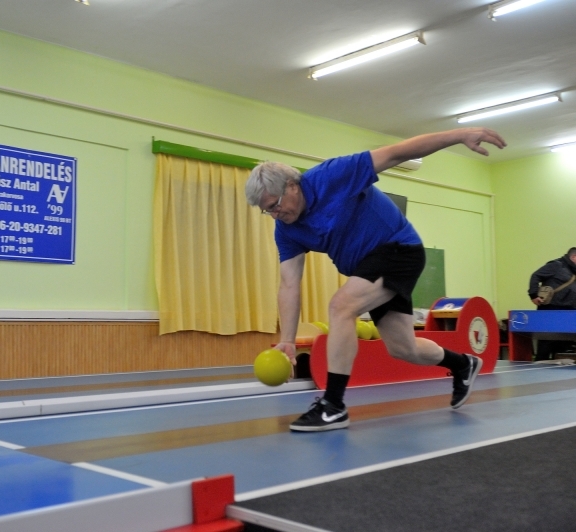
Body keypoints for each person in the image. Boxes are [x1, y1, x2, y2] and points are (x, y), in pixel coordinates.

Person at [245, 127, 506, 432]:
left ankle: (333, 406)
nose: (275, 214)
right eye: (267, 211)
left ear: (292, 186)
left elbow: (399, 152)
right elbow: (289, 284)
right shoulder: (287, 230)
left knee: (342, 306)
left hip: (398, 249)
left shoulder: (334, 175)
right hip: (368, 267)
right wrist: (288, 340)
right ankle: (463, 364)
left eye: (275, 204)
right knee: (402, 348)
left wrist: (460, 135)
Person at [528, 248, 576, 361]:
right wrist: (533, 295)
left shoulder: (573, 271)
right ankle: (539, 370)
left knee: (564, 343)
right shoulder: (556, 265)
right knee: (546, 342)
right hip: (551, 309)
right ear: (574, 257)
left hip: (568, 311)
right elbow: (535, 276)